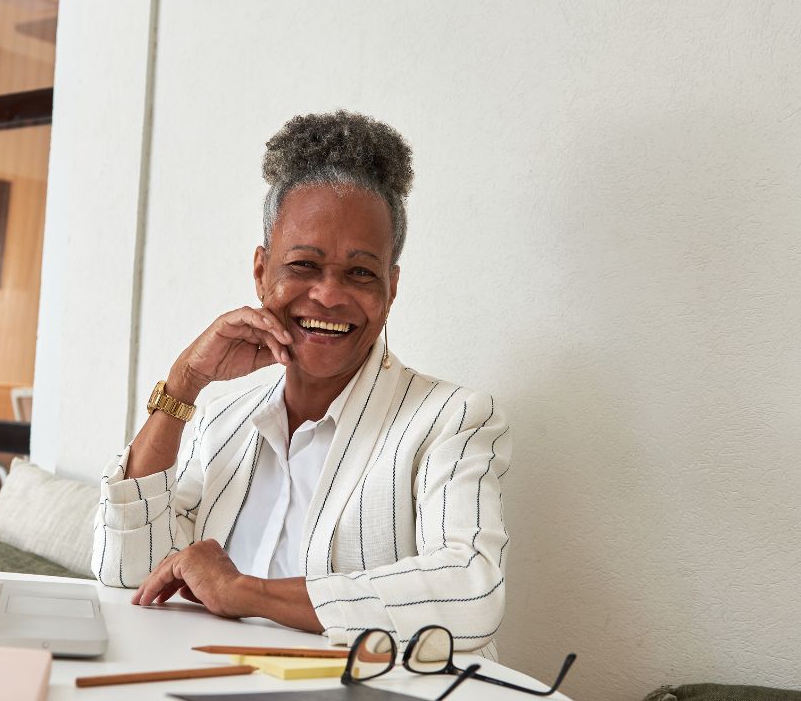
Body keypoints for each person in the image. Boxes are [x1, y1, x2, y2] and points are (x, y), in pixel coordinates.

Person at [92, 110, 511, 658]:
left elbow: (470, 593)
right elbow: (127, 575)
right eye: (305, 265)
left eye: (360, 272)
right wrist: (185, 383)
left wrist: (248, 593)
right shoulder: (221, 422)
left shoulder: (451, 419)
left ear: (391, 287)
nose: (329, 295)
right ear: (263, 271)